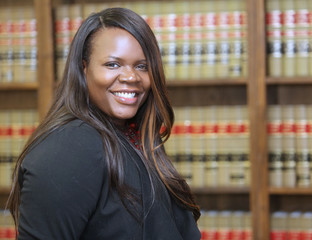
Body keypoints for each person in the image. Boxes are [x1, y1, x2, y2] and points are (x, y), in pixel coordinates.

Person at [7, 7, 201, 239]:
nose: (131, 77)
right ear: (83, 68)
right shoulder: (69, 149)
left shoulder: (134, 138)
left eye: (142, 66)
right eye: (113, 64)